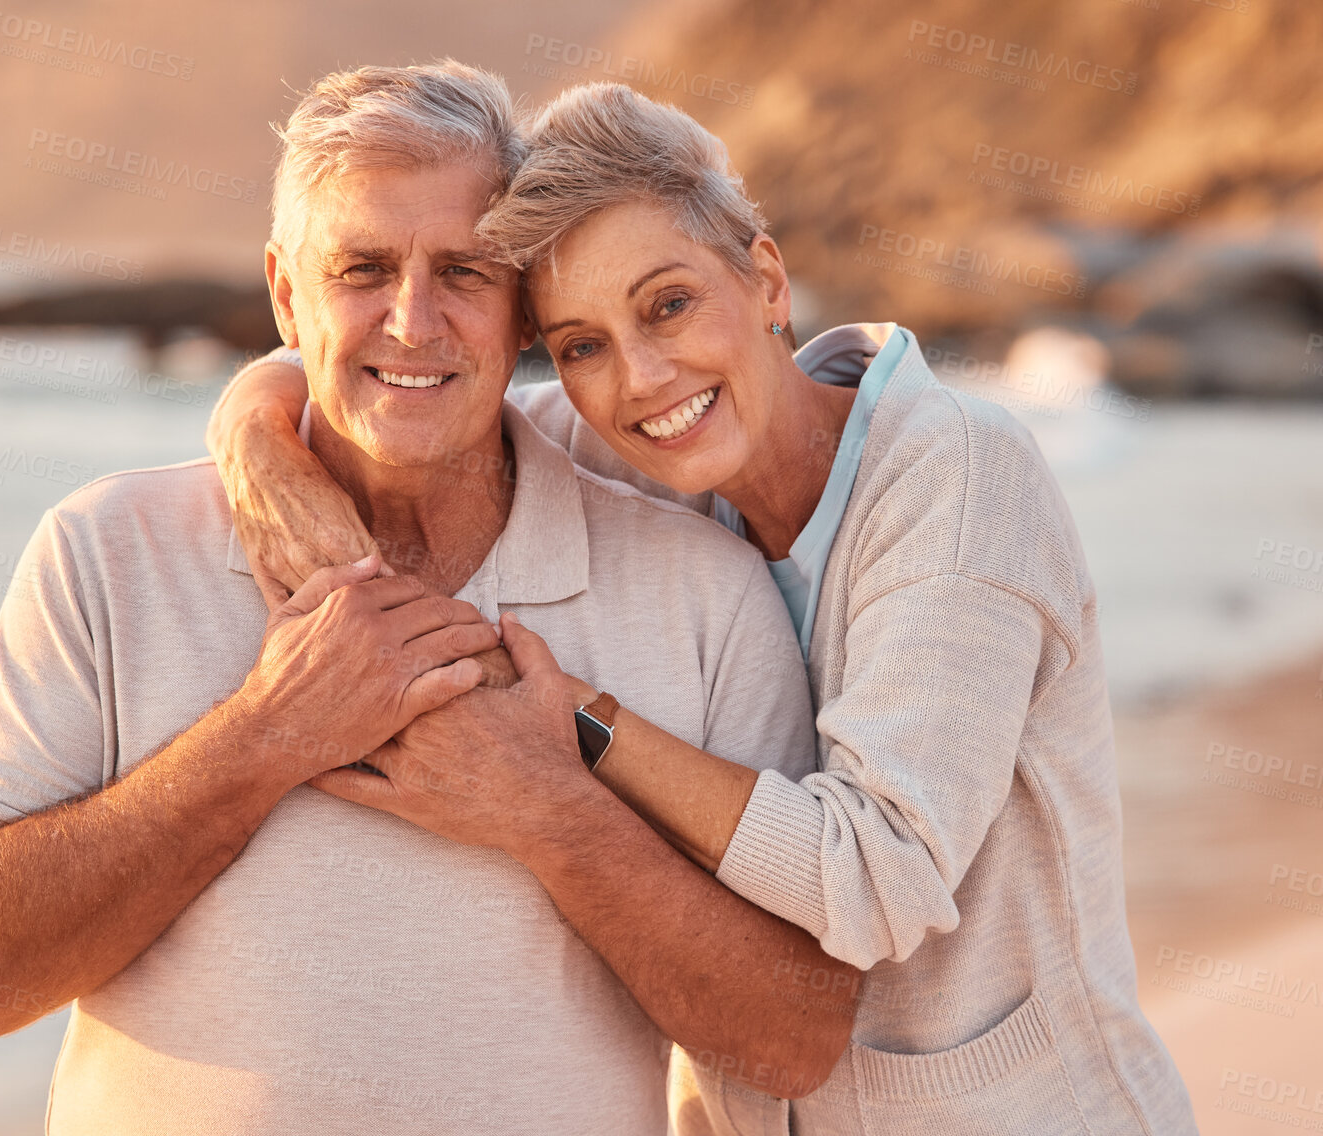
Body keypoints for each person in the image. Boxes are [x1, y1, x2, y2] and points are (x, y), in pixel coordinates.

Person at [208, 81, 1198, 1134]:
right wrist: (251, 427)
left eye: (668, 304)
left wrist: (575, 727)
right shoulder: (630, 443)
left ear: (764, 277)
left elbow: (876, 872)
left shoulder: (957, 478)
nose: (639, 376)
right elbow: (393, 378)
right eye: (579, 343)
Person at [0, 62, 858, 1136]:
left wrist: (550, 813)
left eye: (463, 270)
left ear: (525, 307)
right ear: (282, 294)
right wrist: (265, 735)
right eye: (361, 268)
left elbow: (797, 1035)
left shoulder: (702, 591)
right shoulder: (103, 552)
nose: (413, 320)